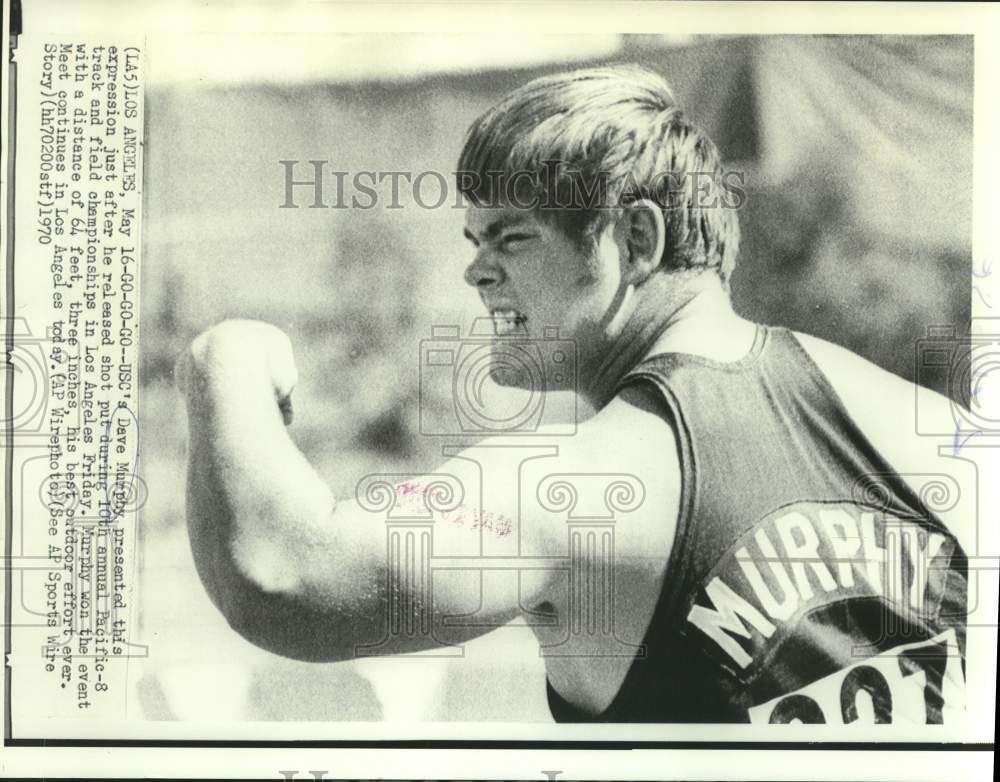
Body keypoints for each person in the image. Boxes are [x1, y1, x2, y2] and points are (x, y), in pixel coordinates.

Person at [176, 65, 970, 723]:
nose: (475, 270)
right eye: (474, 240)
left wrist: (225, 359)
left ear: (637, 239)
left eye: (511, 236)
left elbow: (281, 575)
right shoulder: (930, 430)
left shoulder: (580, 488)